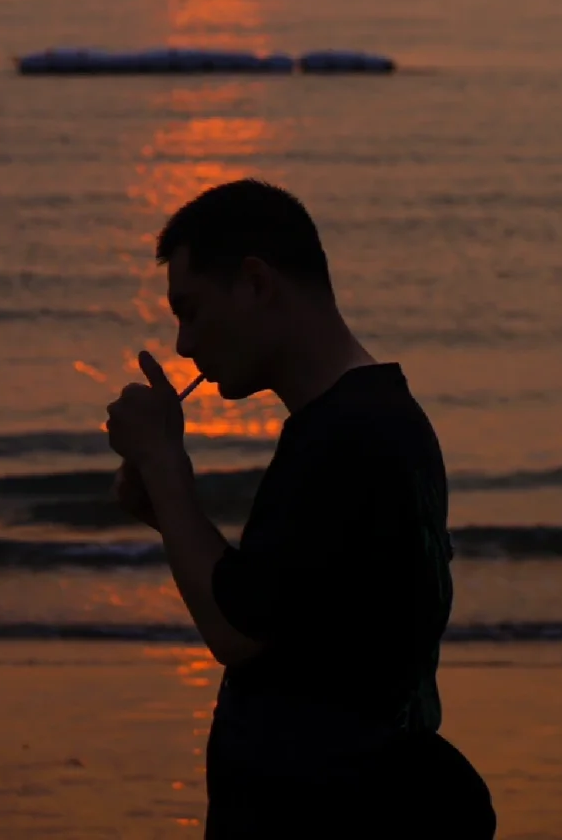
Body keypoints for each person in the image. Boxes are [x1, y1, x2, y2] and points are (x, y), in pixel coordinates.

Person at [105, 179, 496, 838]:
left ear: (256, 284)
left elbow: (236, 631)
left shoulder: (348, 435)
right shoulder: (372, 420)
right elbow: (287, 609)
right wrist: (166, 507)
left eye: (191, 311)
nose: (183, 347)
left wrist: (168, 469)